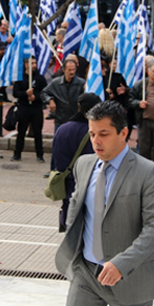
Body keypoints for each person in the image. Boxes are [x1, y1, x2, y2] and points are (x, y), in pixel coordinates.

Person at [55, 100, 154, 306]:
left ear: (124, 133)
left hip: (129, 277)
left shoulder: (148, 172)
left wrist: (122, 264)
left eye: (104, 134)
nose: (96, 141)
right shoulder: (84, 164)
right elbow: (75, 207)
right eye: (92, 134)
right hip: (86, 273)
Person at [51, 93, 102, 232]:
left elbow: (57, 157)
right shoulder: (95, 134)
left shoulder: (62, 129)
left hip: (67, 182)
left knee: (69, 217)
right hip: (90, 183)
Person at [11, 57, 47, 162]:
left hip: (36, 108)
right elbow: (15, 93)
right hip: (24, 107)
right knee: (21, 131)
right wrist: (25, 94)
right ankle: (17, 154)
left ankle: (40, 155)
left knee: (37, 132)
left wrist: (36, 97)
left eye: (35, 63)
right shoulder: (20, 78)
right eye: (32, 63)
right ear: (26, 65)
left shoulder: (40, 78)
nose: (34, 65)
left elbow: (45, 93)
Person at [42, 59, 85, 130]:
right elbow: (44, 93)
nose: (72, 72)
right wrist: (50, 100)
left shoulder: (81, 83)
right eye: (69, 70)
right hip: (60, 120)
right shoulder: (56, 83)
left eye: (73, 69)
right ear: (64, 70)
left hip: (75, 120)